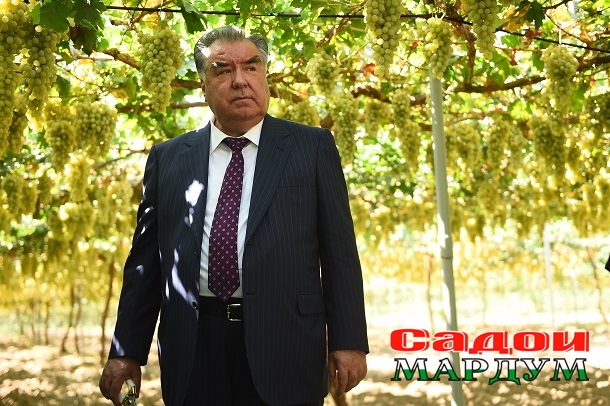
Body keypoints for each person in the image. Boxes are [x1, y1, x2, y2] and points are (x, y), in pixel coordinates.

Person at [99, 25, 368, 406]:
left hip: (286, 343)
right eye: (223, 70)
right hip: (193, 347)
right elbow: (146, 263)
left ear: (265, 75)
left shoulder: (312, 147)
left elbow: (339, 252)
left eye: (252, 67)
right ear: (202, 86)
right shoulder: (168, 158)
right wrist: (126, 351)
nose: (240, 81)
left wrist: (349, 340)